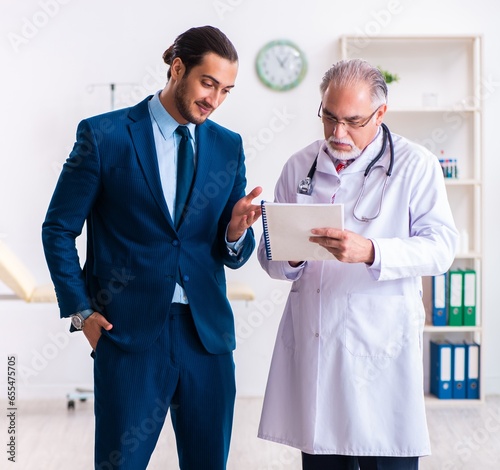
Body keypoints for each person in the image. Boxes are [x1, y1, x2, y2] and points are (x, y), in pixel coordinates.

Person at [42, 25, 262, 470]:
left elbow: (229, 250)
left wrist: (236, 232)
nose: (214, 99)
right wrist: (80, 312)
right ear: (177, 69)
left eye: (226, 90)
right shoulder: (104, 136)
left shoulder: (228, 146)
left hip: (206, 339)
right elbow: (58, 229)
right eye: (207, 83)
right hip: (127, 335)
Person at [257, 59, 458, 470]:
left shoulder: (415, 165)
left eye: (352, 121)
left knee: (385, 456)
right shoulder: (300, 166)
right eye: (329, 117)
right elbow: (270, 258)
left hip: (380, 353)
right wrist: (291, 253)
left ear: (380, 113)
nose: (337, 133)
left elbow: (441, 249)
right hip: (315, 346)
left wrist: (371, 251)